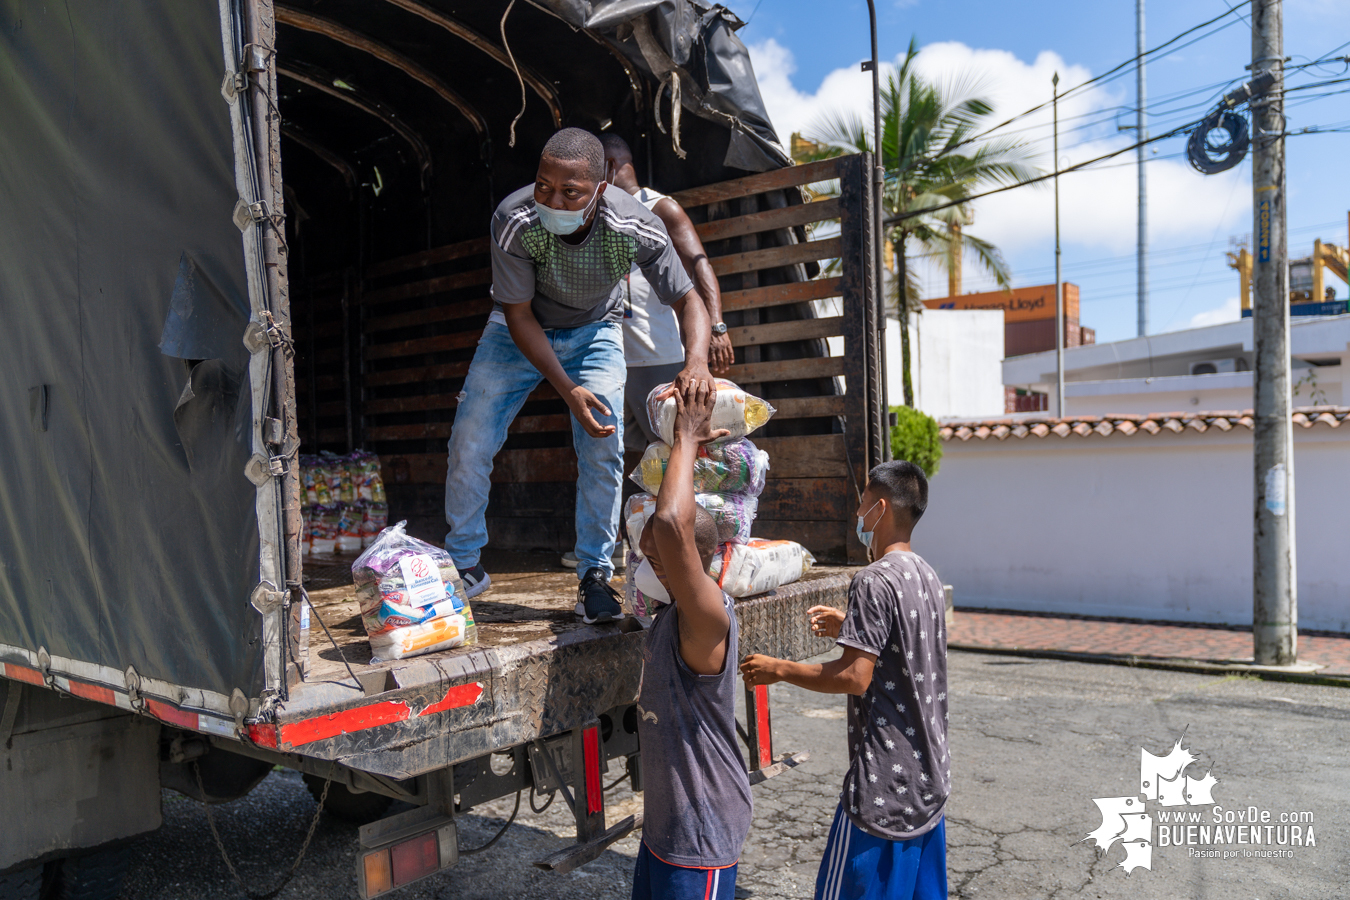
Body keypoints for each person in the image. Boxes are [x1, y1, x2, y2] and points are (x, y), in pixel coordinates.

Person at [443, 127, 712, 623]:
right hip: (515, 331)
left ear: (601, 188)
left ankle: (594, 574)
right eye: (544, 185)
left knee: (603, 445)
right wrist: (567, 390)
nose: (552, 199)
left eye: (571, 192)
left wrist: (696, 361)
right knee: (470, 439)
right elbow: (519, 315)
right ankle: (464, 564)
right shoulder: (514, 219)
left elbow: (686, 297)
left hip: (596, 331)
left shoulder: (637, 225)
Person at [739, 461, 949, 900]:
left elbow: (855, 677)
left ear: (882, 508)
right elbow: (906, 646)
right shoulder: (927, 575)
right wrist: (850, 627)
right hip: (927, 779)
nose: (858, 516)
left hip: (883, 787)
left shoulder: (872, 580)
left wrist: (779, 669)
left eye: (862, 506)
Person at [556, 134, 734, 571]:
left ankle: (698, 543)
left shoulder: (661, 208)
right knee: (625, 457)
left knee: (680, 450)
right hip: (617, 357)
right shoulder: (596, 215)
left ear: (612, 167)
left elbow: (698, 265)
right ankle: (630, 543)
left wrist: (716, 328)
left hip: (662, 356)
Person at [631, 380, 752, 900]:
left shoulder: (707, 618)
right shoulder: (666, 615)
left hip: (699, 842)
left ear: (684, 564)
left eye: (654, 559)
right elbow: (660, 528)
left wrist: (686, 436)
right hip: (663, 835)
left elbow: (670, 523)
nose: (643, 566)